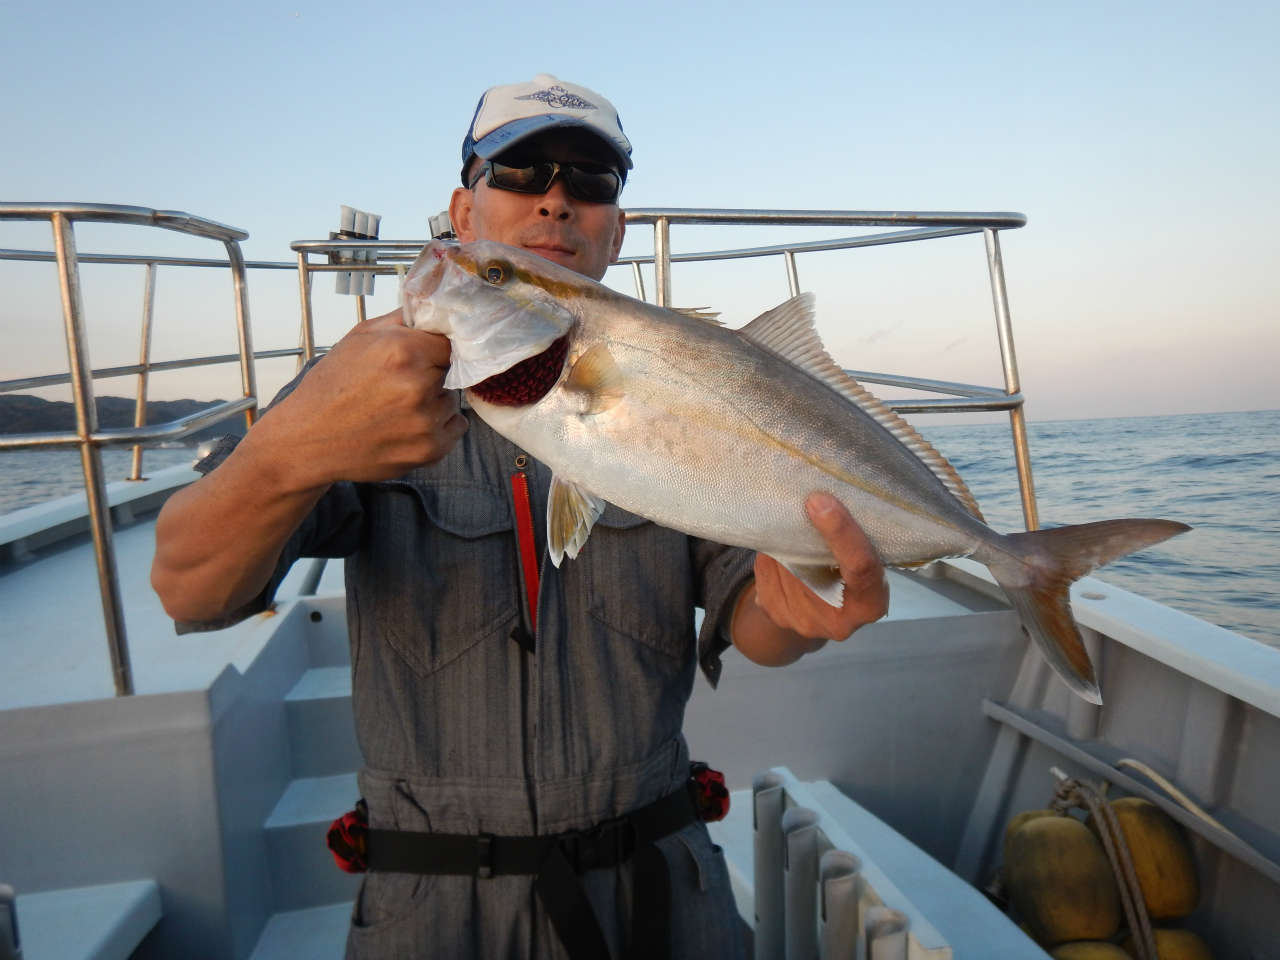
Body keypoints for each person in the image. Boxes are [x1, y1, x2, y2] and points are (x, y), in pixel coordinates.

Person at [151, 74, 888, 960]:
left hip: (659, 885)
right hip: (431, 911)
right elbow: (189, 589)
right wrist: (289, 450)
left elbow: (756, 623)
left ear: (615, 229)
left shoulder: (678, 396)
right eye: (519, 170)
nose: (555, 199)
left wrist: (805, 607)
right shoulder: (351, 393)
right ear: (463, 211)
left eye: (591, 181)